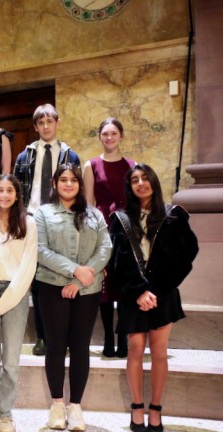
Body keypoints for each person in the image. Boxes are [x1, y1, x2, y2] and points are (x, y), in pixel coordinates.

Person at [109, 164, 198, 432]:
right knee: (135, 350)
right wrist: (139, 291)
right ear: (130, 187)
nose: (140, 184)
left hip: (163, 293)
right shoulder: (121, 218)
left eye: (145, 178)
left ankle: (156, 408)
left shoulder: (174, 215)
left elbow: (187, 255)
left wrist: (156, 291)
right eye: (135, 180)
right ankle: (137, 407)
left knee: (159, 352)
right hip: (134, 295)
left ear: (154, 182)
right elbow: (117, 260)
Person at [34, 164, 111, 432]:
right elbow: (40, 250)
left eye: (73, 180)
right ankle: (57, 404)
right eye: (63, 180)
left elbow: (105, 248)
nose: (68, 184)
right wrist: (73, 270)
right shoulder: (42, 213)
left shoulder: (94, 214)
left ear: (80, 184)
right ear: (55, 184)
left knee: (80, 347)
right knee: (55, 346)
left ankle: (75, 406)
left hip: (86, 290)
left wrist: (79, 281)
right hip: (52, 286)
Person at [14, 103, 81, 357]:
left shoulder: (70, 156)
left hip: (60, 220)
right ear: (35, 127)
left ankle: (62, 337)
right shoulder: (25, 156)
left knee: (61, 278)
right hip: (31, 220)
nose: (45, 126)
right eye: (40, 123)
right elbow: (16, 190)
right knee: (39, 283)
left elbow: (76, 188)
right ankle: (42, 336)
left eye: (49, 122)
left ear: (57, 123)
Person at [0, 175, 37, 432]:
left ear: (17, 194)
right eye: (0, 190)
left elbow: (28, 266)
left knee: (11, 359)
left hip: (16, 292)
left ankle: (5, 413)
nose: (4, 195)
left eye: (9, 190)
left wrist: (3, 302)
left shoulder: (28, 223)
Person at [83, 118, 135, 358]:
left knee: (124, 284)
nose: (109, 137)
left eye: (114, 133)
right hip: (102, 227)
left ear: (121, 136)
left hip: (126, 228)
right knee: (105, 285)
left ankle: (123, 335)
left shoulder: (133, 165)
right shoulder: (91, 165)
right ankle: (107, 338)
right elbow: (89, 204)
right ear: (100, 137)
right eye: (105, 134)